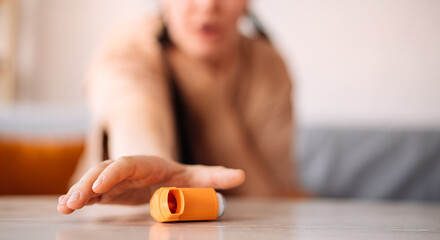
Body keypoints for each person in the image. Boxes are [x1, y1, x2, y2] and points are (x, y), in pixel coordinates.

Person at [58, 0, 302, 215]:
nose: (208, 4)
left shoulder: (268, 66)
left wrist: (216, 117)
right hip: (119, 227)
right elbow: (132, 108)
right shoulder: (130, 47)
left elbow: (273, 203)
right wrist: (148, 166)